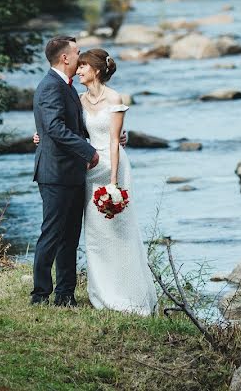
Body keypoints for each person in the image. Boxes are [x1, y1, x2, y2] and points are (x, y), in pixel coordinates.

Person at [77, 48, 158, 315]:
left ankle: (128, 294)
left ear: (96, 70)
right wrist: (40, 135)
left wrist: (113, 184)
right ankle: (103, 293)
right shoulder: (79, 99)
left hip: (113, 167)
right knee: (96, 233)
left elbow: (114, 139)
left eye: (83, 67)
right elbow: (68, 130)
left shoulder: (115, 98)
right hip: (91, 166)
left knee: (119, 230)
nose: (78, 71)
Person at [30, 36, 98, 307]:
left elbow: (74, 126)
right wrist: (88, 151)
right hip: (55, 173)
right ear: (65, 58)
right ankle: (40, 294)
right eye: (78, 53)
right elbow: (55, 128)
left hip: (72, 173)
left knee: (70, 236)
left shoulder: (67, 86)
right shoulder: (50, 86)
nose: (81, 58)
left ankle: (65, 294)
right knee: (53, 233)